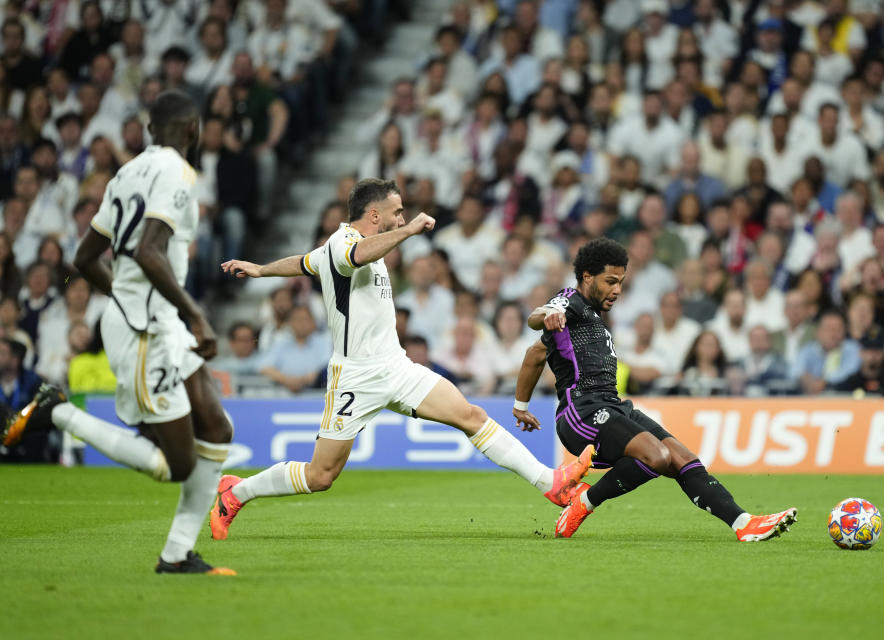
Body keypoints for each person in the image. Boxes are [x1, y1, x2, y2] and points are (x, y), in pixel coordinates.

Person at [214, 178, 593, 539]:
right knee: (321, 476)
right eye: (396, 211)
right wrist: (408, 231)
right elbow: (353, 255)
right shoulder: (345, 242)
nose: (401, 216)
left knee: (471, 416)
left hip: (395, 367)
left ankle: (551, 483)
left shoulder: (345, 249)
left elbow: (304, 262)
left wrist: (262, 269)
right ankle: (235, 493)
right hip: (356, 377)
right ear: (375, 214)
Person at [2, 90, 235, 576]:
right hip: (148, 330)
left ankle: (177, 555)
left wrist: (131, 298)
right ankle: (59, 411)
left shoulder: (125, 174)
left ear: (150, 131)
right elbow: (151, 251)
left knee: (216, 427)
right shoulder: (178, 172)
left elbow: (83, 259)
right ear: (192, 132)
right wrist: (197, 314)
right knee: (175, 465)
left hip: (148, 319)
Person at [513, 238, 796, 540]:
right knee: (657, 456)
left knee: (682, 458)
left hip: (612, 406)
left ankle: (743, 524)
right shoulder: (570, 301)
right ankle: (582, 503)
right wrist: (546, 315)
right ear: (587, 277)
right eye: (610, 281)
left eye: (620, 282)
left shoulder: (589, 320)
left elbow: (535, 355)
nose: (617, 290)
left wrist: (520, 406)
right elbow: (538, 315)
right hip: (581, 412)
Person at [832, 325, 884, 396]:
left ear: (883, 354)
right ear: (861, 353)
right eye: (869, 351)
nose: (873, 355)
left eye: (877, 350)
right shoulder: (850, 381)